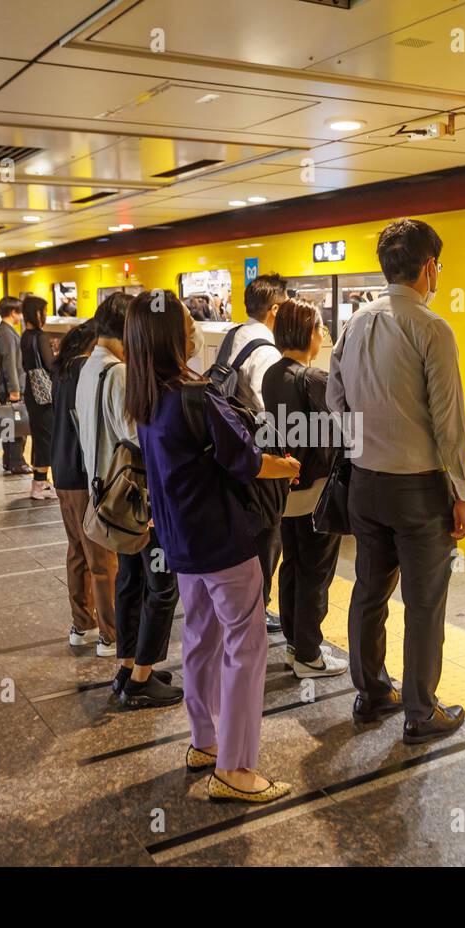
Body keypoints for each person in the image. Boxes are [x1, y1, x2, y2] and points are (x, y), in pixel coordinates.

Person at [125, 289, 300, 802]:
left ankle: (204, 742)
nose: (195, 326)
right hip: (223, 542)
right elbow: (244, 459)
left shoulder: (145, 397)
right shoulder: (193, 396)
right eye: (187, 319)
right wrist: (287, 466)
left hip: (181, 543)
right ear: (173, 334)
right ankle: (237, 769)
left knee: (200, 638)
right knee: (246, 648)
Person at [327, 218, 465, 745]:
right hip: (418, 490)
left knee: (369, 589)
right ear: (429, 267)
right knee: (425, 598)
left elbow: (334, 398)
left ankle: (371, 694)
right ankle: (420, 709)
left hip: (365, 483)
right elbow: (448, 421)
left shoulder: (354, 323)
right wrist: (463, 492)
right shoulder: (432, 329)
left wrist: (361, 440)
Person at [75, 292, 182, 704]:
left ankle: (126, 667)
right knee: (162, 585)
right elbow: (137, 438)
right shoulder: (118, 373)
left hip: (108, 497)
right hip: (135, 501)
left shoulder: (90, 367)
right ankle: (141, 678)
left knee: (131, 580)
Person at [261, 298, 347, 679]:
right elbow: (340, 431)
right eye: (320, 329)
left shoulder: (271, 374)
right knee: (316, 572)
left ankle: (296, 645)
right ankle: (310, 655)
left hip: (285, 491)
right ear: (308, 333)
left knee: (293, 566)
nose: (322, 336)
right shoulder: (313, 379)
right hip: (315, 492)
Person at [215, 273, 288, 634]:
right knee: (266, 533)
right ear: (275, 309)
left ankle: (241, 604)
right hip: (256, 456)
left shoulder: (233, 336)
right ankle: (257, 609)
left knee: (245, 531)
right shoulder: (266, 351)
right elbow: (268, 409)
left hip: (229, 451)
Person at [51, 316, 120, 650]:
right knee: (103, 560)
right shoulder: (88, 370)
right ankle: (111, 635)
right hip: (82, 472)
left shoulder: (64, 369)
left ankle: (82, 625)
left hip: (62, 472)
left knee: (77, 550)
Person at [20, 295, 58, 500]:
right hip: (43, 393)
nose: (44, 315)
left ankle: (40, 481)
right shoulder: (40, 336)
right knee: (46, 438)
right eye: (43, 311)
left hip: (32, 392)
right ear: (37, 313)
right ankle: (40, 484)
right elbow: (50, 365)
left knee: (40, 436)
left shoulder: (25, 335)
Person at [0, 296, 31, 476]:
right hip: (10, 387)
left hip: (5, 386)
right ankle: (17, 462)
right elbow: (10, 363)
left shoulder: (5, 330)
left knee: (9, 426)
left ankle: (9, 461)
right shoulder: (7, 333)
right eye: (19, 312)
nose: (21, 316)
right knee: (17, 428)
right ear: (13, 312)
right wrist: (15, 390)